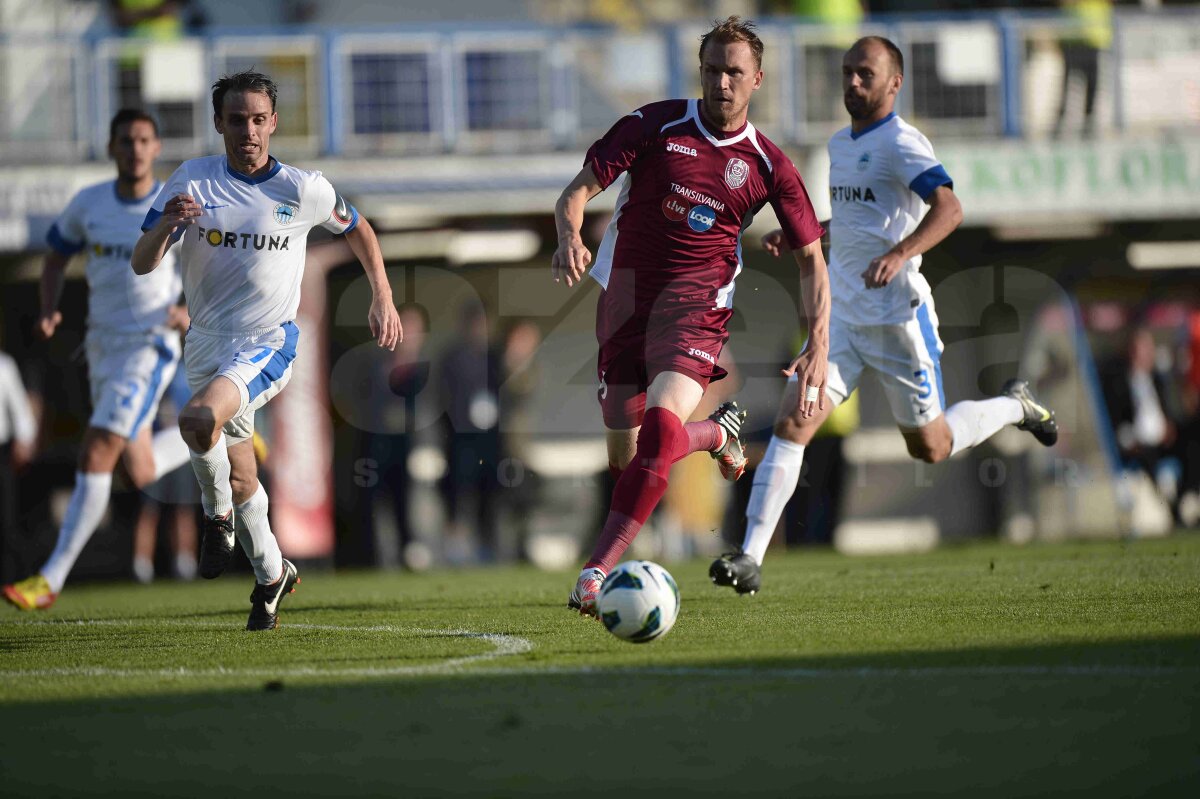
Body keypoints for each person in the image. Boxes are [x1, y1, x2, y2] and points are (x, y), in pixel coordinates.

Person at [710, 36, 1059, 596]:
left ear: (894, 83)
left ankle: (1014, 405)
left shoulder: (903, 143)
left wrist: (901, 254)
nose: (851, 82)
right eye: (847, 72)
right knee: (793, 424)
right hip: (844, 323)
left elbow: (950, 208)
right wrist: (807, 234)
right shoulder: (840, 146)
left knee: (932, 445)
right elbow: (854, 224)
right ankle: (750, 558)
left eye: (864, 74)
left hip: (899, 321)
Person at [552, 16, 830, 617]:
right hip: (622, 298)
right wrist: (569, 235)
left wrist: (820, 343)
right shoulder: (654, 125)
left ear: (756, 79)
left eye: (734, 72)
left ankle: (594, 574)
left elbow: (811, 257)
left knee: (656, 440)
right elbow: (574, 192)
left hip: (696, 310)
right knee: (626, 460)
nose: (722, 82)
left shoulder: (768, 165)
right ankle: (714, 434)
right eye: (712, 70)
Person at [131, 71, 401, 630]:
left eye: (258, 120)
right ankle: (273, 575)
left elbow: (358, 228)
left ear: (274, 123)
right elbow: (141, 260)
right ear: (219, 124)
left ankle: (216, 520)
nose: (248, 131)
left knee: (198, 417)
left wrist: (383, 295)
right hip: (205, 343)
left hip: (267, 343)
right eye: (236, 120)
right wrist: (167, 227)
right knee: (242, 472)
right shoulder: (192, 180)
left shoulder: (303, 189)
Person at [3, 109, 193, 612]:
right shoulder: (88, 204)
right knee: (140, 469)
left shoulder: (172, 205)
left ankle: (50, 578)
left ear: (156, 149)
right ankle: (224, 429)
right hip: (102, 347)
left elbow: (211, 264)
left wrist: (188, 307)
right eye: (125, 140)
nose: (134, 148)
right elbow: (55, 255)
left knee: (96, 451)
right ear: (111, 148)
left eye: (144, 140)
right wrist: (48, 307)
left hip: (148, 345)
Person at [0, 345, 38, 583]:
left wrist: (24, 440)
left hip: (1, 452)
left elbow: (20, 409)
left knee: (6, 521)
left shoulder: (4, 365)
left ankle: (16, 578)